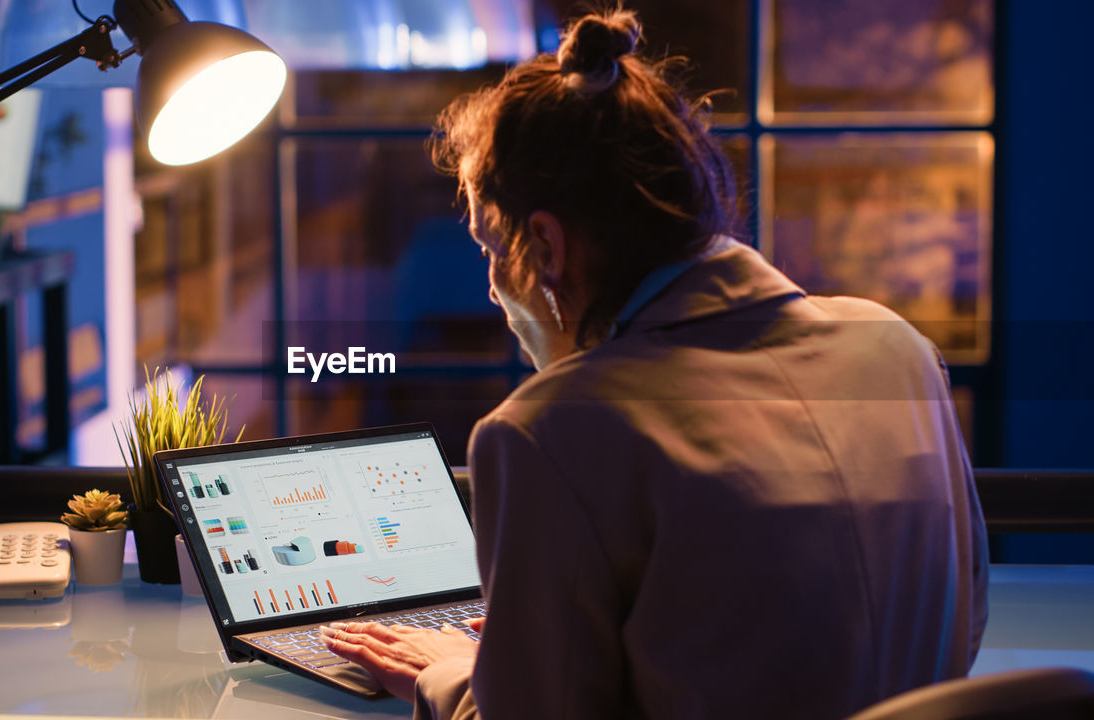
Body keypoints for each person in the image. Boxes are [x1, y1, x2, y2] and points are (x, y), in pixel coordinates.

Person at [321, 9, 989, 719]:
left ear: (545, 246)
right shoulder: (897, 350)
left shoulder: (546, 434)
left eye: (492, 248)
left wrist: (455, 675)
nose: (491, 286)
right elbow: (960, 622)